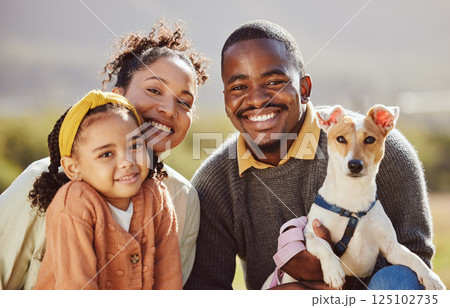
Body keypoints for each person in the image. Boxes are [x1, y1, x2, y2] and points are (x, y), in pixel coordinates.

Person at [184, 20, 435, 290]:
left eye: (274, 82)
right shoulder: (215, 182)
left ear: (304, 89)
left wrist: (330, 288)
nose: (257, 99)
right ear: (226, 100)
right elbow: (207, 290)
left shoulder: (376, 149)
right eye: (238, 87)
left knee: (395, 280)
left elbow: (413, 264)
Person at [0, 20, 208, 289]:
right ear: (117, 98)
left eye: (184, 102)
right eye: (154, 90)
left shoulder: (182, 199)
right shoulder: (41, 184)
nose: (170, 109)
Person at [31, 90, 181, 289]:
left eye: (135, 146)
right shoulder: (75, 203)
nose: (127, 161)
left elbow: (169, 278)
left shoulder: (157, 196)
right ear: (73, 167)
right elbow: (77, 287)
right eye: (107, 154)